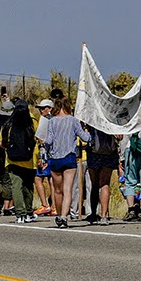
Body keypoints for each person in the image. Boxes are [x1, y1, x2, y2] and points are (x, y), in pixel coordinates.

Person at [39, 97, 82, 227]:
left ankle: (58, 214)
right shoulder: (73, 121)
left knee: (58, 190)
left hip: (55, 158)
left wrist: (44, 147)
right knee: (67, 189)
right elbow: (84, 136)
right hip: (69, 157)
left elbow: (50, 139)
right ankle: (64, 216)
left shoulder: (52, 121)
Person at [0, 96, 39, 222]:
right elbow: (40, 140)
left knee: (16, 186)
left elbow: (0, 143)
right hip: (30, 160)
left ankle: (20, 214)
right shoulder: (33, 123)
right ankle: (28, 211)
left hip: (12, 160)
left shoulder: (8, 124)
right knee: (28, 187)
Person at [83, 119, 119, 223]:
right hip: (109, 152)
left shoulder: (92, 116)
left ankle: (94, 214)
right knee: (104, 183)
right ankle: (103, 216)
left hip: (94, 152)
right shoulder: (111, 117)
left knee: (94, 184)